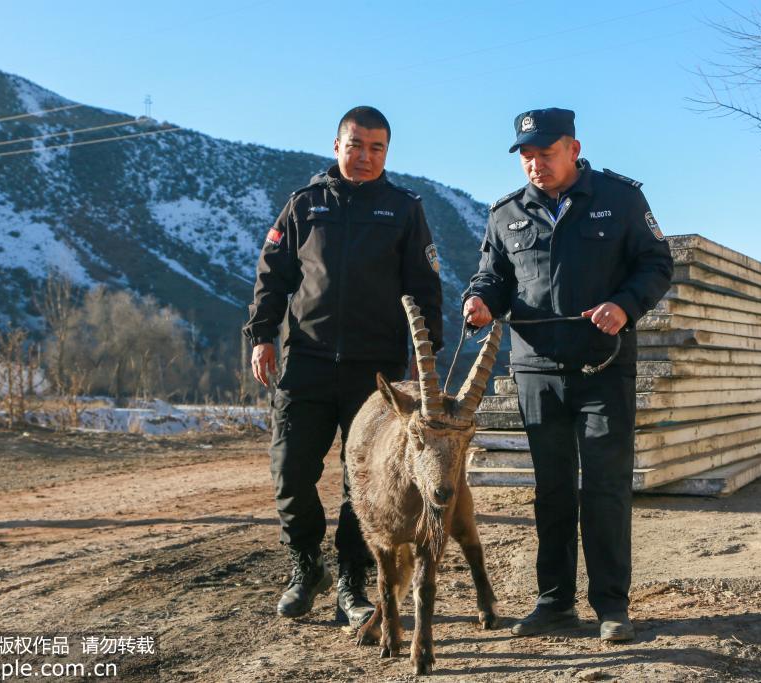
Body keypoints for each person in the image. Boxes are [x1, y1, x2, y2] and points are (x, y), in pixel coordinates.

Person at [463, 108, 672, 641]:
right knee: (552, 491)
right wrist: (480, 302)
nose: (535, 166)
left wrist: (624, 305)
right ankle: (554, 603)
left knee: (604, 489)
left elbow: (656, 264)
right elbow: (493, 276)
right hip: (536, 373)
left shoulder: (620, 200)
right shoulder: (505, 215)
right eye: (527, 156)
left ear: (573, 149)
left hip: (604, 369)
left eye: (545, 154)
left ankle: (611, 607)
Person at [243, 106, 443, 627]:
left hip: (374, 375)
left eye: (376, 148)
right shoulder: (304, 206)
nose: (365, 156)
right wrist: (262, 335)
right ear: (336, 146)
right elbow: (272, 276)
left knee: (364, 485)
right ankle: (307, 566)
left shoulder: (403, 210)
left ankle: (353, 583)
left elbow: (424, 289)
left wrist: (427, 364)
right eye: (356, 145)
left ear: (387, 153)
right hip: (305, 361)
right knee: (290, 473)